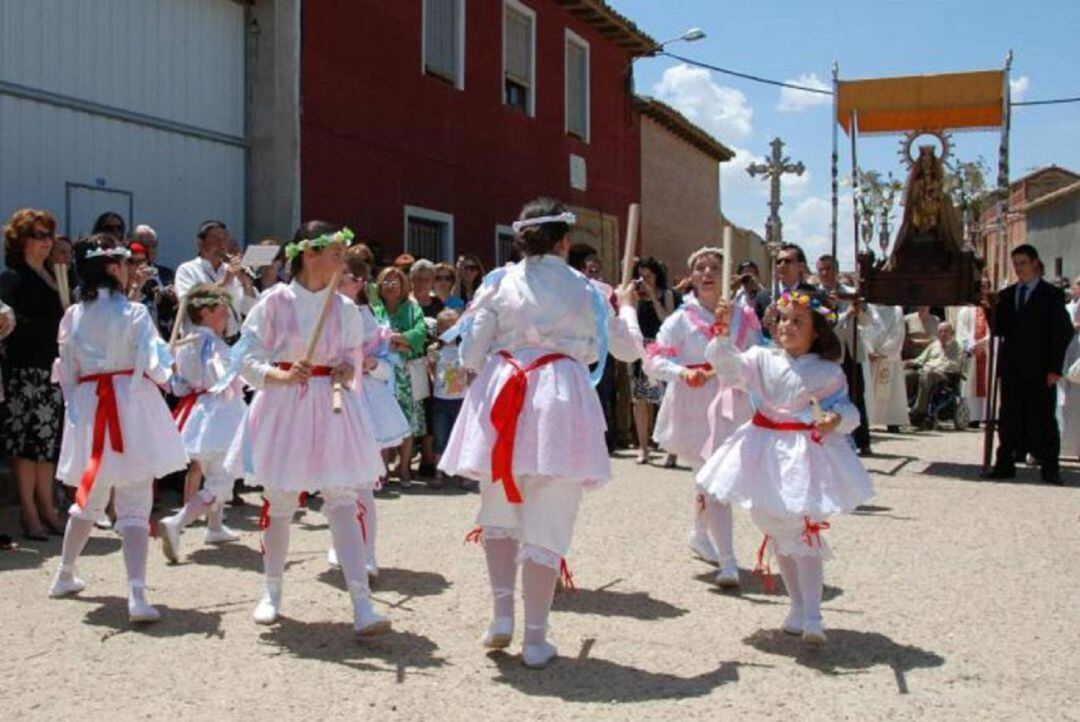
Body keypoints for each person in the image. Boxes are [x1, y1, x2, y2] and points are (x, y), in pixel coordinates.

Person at [437, 198, 643, 669]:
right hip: (560, 399)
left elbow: (470, 355)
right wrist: (626, 307)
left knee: (498, 507)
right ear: (565, 240)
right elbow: (629, 350)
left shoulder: (496, 283)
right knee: (548, 516)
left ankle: (501, 617)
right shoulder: (590, 290)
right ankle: (535, 638)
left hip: (504, 392)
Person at [223, 221, 390, 635]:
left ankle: (361, 604)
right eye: (335, 253)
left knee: (341, 500)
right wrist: (275, 375)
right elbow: (243, 355)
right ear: (309, 254)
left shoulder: (345, 307)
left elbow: (351, 360)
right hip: (286, 403)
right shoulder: (273, 302)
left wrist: (344, 369)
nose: (342, 261)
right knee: (280, 501)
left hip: (333, 407)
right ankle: (272, 591)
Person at [697, 290, 874, 646]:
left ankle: (813, 614)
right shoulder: (760, 357)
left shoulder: (827, 371)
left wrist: (835, 419)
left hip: (804, 453)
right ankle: (796, 606)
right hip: (763, 447)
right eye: (782, 320)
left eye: (798, 321)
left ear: (817, 332)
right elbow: (729, 371)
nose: (787, 327)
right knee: (778, 528)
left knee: (803, 530)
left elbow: (848, 410)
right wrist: (721, 334)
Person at [48, 236, 188, 623]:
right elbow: (155, 363)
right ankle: (137, 595)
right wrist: (167, 367)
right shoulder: (134, 314)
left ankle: (64, 574)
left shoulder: (73, 315)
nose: (130, 270)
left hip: (92, 405)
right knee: (134, 501)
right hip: (130, 404)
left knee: (89, 497)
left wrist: (78, 407)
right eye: (125, 263)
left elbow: (68, 371)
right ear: (113, 268)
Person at [646, 248, 740, 587]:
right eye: (700, 267)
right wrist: (682, 373)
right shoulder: (681, 319)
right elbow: (655, 359)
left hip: (731, 400)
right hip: (695, 400)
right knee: (711, 476)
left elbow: (756, 354)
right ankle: (728, 559)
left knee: (714, 476)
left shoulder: (741, 315)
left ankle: (700, 532)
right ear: (692, 276)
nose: (707, 272)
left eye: (715, 266)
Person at [158, 285, 248, 563]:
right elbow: (222, 377)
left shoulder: (185, 342)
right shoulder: (212, 344)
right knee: (222, 477)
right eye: (221, 310)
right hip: (220, 412)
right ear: (205, 312)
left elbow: (179, 386)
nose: (226, 315)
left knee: (213, 469)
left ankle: (215, 526)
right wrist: (241, 370)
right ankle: (178, 523)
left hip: (198, 412)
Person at [0, 209, 67, 540]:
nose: (46, 242)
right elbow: (9, 323)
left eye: (48, 235)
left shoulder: (56, 276)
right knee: (27, 444)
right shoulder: (12, 278)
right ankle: (29, 512)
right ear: (22, 241)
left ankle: (47, 507)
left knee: (47, 444)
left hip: (51, 370)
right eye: (38, 236)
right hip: (26, 370)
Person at [984, 245, 1074, 485]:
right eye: (1016, 264)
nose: (1019, 268)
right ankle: (1005, 463)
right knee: (1009, 416)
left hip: (1040, 368)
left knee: (1043, 418)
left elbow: (1061, 333)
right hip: (1013, 367)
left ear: (1035, 263)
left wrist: (1055, 368)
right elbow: (999, 329)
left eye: (1023, 263)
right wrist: (988, 308)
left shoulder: (1051, 295)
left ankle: (1050, 467)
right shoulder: (1008, 294)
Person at [370, 266, 428, 486]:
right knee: (382, 419)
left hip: (405, 373)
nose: (391, 285)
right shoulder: (375, 311)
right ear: (379, 286)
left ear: (404, 285)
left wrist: (395, 338)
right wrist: (395, 343)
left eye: (396, 281)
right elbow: (370, 337)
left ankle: (404, 468)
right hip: (381, 373)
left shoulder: (412, 309)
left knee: (408, 419)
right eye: (386, 281)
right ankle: (382, 469)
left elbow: (420, 332)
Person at [816, 254, 872, 450]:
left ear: (837, 271)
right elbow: (824, 324)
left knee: (857, 394)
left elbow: (867, 321)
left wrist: (859, 311)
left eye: (829, 269)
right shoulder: (817, 296)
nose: (825, 274)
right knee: (834, 395)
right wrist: (845, 314)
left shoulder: (851, 292)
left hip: (851, 350)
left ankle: (863, 440)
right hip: (831, 352)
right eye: (821, 270)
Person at [174, 220, 257, 338]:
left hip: (232, 341)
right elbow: (190, 305)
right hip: (200, 342)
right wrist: (224, 282)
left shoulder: (231, 270)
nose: (221, 244)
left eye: (224, 239)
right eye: (216, 239)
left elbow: (248, 310)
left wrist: (246, 284)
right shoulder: (187, 270)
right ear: (201, 243)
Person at [630, 257, 675, 464]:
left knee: (667, 400)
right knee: (640, 400)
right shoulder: (634, 297)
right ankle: (644, 448)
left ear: (656, 275)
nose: (644, 280)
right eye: (641, 276)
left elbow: (668, 320)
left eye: (648, 276)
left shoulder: (666, 295)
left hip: (662, 351)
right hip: (641, 351)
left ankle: (670, 448)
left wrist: (653, 298)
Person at [428, 308, 472, 489]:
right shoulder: (434, 349)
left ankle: (463, 474)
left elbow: (472, 368)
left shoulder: (465, 347)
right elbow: (430, 370)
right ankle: (439, 472)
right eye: (444, 326)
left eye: (452, 326)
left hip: (461, 399)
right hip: (440, 398)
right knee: (440, 437)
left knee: (462, 437)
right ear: (438, 329)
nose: (448, 329)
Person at [861, 305, 909, 431]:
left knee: (892, 391)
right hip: (871, 357)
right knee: (869, 388)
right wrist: (869, 350)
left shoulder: (897, 310)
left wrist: (883, 352)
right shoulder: (868, 308)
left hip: (888, 357)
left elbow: (898, 334)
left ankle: (892, 421)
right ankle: (869, 419)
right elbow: (864, 329)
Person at [905, 322, 964, 422]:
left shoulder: (957, 347)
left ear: (952, 333)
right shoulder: (934, 345)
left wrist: (936, 367)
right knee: (908, 375)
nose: (942, 334)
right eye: (940, 332)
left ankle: (919, 410)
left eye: (945, 331)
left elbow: (956, 365)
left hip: (945, 374)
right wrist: (908, 362)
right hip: (927, 370)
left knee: (927, 375)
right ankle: (905, 406)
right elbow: (920, 359)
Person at [955, 282, 992, 425]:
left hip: (988, 352)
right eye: (980, 288)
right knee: (970, 384)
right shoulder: (966, 310)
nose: (983, 292)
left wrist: (986, 341)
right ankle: (971, 417)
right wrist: (972, 345)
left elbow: (997, 331)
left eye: (985, 288)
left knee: (988, 382)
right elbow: (961, 332)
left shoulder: (992, 309)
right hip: (972, 352)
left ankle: (987, 416)